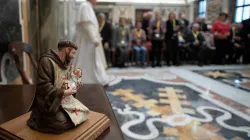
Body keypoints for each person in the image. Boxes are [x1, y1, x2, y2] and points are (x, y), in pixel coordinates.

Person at [27, 41, 88, 134]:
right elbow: (44, 86)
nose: (74, 56)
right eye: (73, 53)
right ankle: (41, 120)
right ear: (67, 50)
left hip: (64, 99)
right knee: (61, 123)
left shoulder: (67, 63)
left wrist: (75, 84)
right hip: (49, 102)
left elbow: (68, 81)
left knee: (84, 112)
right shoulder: (46, 61)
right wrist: (63, 92)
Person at [73, 0, 115, 86]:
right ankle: (93, 80)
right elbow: (87, 25)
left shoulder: (87, 6)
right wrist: (94, 39)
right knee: (88, 61)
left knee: (93, 62)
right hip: (87, 42)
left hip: (88, 41)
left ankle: (97, 78)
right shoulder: (85, 6)